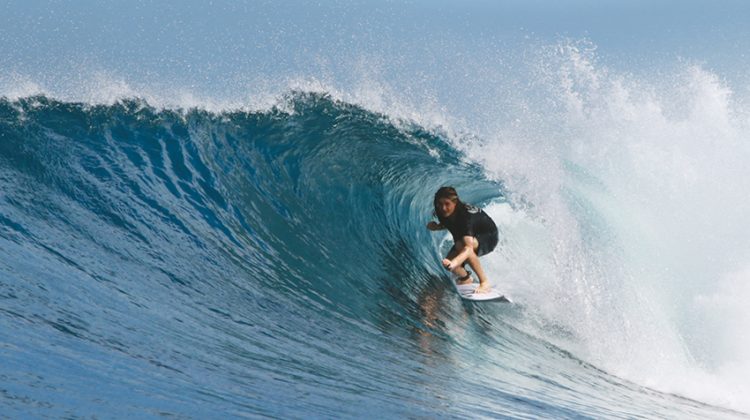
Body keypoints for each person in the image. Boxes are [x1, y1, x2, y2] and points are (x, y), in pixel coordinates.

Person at [426, 186, 499, 294]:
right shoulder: (447, 212)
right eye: (440, 204)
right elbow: (452, 223)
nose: (443, 208)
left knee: (460, 249)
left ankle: (484, 282)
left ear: (455, 202)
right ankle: (466, 279)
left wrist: (454, 262)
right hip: (473, 235)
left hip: (489, 237)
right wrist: (437, 227)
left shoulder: (465, 217)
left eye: (447, 204)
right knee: (449, 265)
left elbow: (468, 248)